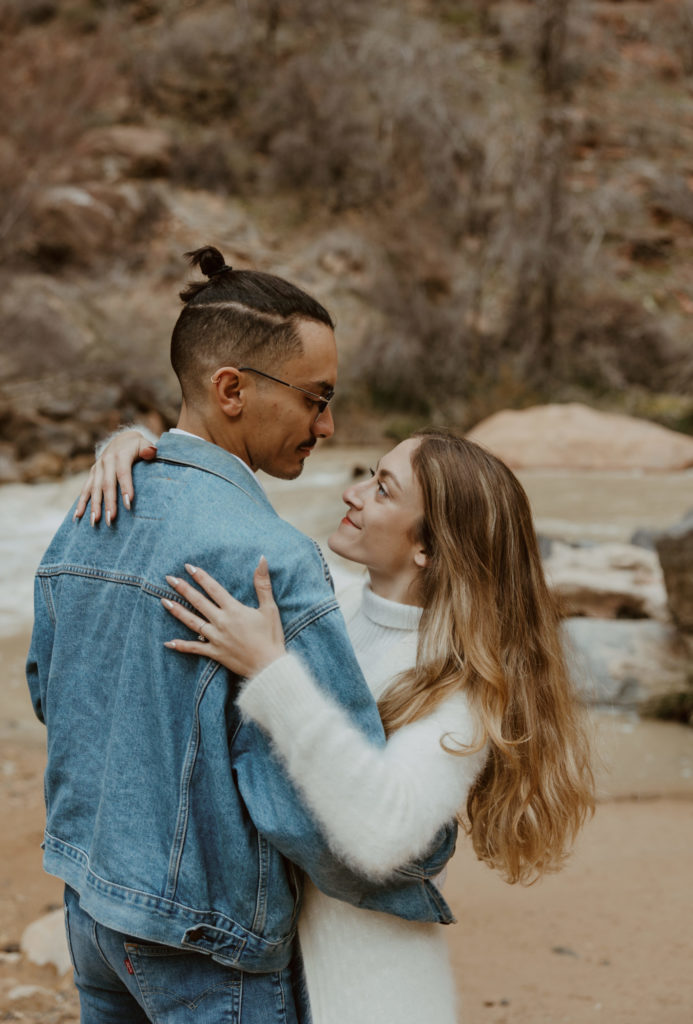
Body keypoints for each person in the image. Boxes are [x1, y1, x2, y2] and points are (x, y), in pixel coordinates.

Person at [26, 247, 459, 1024]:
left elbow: (47, 689)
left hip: (92, 911)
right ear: (231, 389)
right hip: (207, 939)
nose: (325, 426)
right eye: (314, 399)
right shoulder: (275, 562)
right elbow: (303, 806)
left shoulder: (90, 510)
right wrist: (414, 860)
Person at [86, 425, 596, 1024]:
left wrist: (271, 671)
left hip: (367, 995)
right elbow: (221, 529)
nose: (354, 493)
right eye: (370, 475)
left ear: (428, 548)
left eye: (383, 490)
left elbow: (384, 831)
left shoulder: (460, 688)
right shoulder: (334, 606)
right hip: (255, 969)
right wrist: (143, 451)